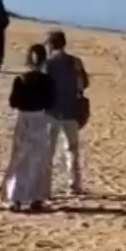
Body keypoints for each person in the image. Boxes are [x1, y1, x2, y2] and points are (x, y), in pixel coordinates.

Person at [3, 44, 56, 211]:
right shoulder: (48, 81)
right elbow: (51, 103)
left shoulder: (21, 79)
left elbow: (13, 102)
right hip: (40, 118)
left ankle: (15, 198)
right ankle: (36, 198)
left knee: (19, 159)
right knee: (38, 160)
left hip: (23, 118)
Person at [43, 29, 89, 197]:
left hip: (52, 111)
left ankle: (45, 187)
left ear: (50, 44)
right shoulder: (76, 62)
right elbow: (84, 84)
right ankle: (74, 184)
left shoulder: (47, 63)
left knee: (48, 151)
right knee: (72, 149)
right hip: (72, 110)